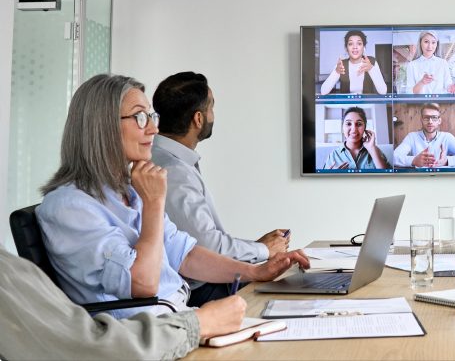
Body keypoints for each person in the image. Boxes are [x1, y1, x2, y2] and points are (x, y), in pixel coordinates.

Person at [36, 74, 310, 320]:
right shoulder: (69, 207)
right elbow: (143, 284)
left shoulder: (128, 192)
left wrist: (255, 272)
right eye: (140, 117)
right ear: (103, 126)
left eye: (151, 117)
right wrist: (154, 203)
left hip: (178, 319)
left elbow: (185, 254)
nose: (153, 130)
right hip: (145, 336)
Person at [151, 71, 292, 307]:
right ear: (198, 119)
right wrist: (263, 250)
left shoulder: (166, 159)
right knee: (285, 292)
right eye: (211, 108)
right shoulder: (174, 172)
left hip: (202, 282)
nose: (213, 115)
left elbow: (201, 239)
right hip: (200, 291)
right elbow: (206, 246)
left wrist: (256, 249)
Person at [0, 247, 245, 359]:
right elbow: (90, 346)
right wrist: (198, 324)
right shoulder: (71, 208)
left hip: (166, 328)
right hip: (149, 334)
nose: (154, 138)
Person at [393, 103, 455, 168]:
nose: (430, 121)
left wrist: (447, 161)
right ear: (421, 120)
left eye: (434, 118)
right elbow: (394, 157)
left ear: (439, 121)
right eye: (426, 118)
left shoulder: (447, 137)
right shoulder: (411, 137)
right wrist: (414, 160)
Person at [320, 30, 388, 95]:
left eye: (359, 43)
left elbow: (383, 91)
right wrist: (336, 72)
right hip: (347, 107)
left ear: (364, 47)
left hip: (368, 106)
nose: (355, 47)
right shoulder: (341, 65)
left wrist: (371, 69)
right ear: (346, 48)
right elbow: (323, 91)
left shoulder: (372, 61)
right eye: (350, 44)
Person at [323, 106, 390, 170]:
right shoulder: (333, 156)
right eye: (348, 124)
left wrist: (372, 149)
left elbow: (387, 178)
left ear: (365, 127)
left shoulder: (375, 150)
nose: (354, 129)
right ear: (342, 127)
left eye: (359, 124)